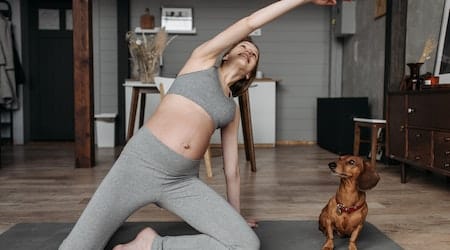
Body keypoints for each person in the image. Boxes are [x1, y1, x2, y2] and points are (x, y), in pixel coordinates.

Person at [59, 0, 336, 249]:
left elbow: (232, 170)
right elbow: (249, 23)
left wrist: (234, 216)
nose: (249, 50)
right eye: (243, 45)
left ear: (249, 73)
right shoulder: (200, 61)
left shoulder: (231, 109)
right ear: (226, 54)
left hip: (180, 182)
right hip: (138, 166)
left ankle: (150, 244)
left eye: (253, 54)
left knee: (246, 244)